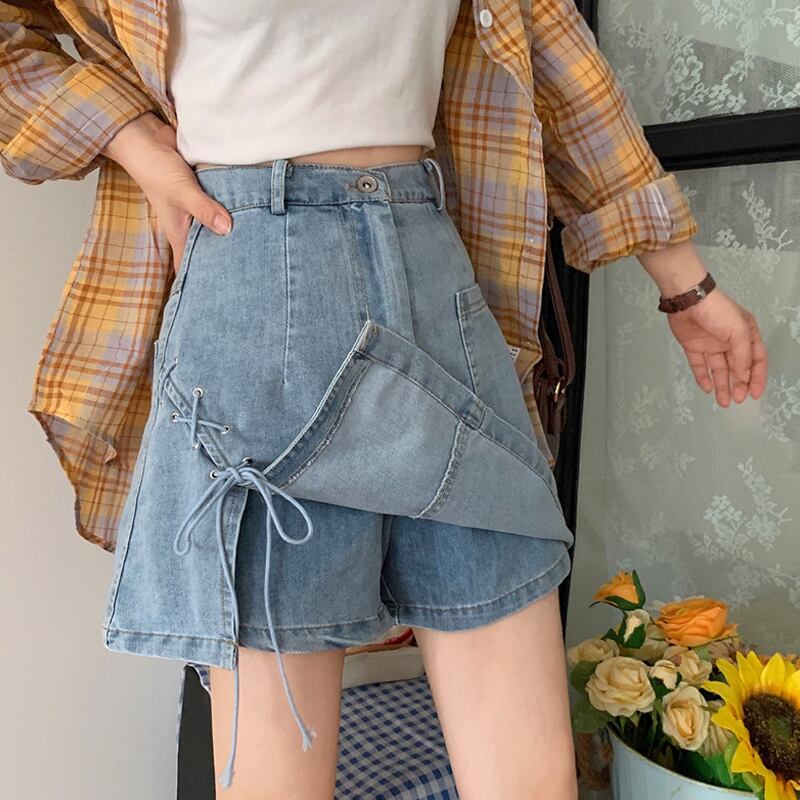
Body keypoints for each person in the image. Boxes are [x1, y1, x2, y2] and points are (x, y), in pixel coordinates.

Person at [0, 1, 767, 798]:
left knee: (532, 779)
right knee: (275, 781)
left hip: (433, 267)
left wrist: (686, 284)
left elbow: (556, 54)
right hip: (251, 278)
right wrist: (127, 136)